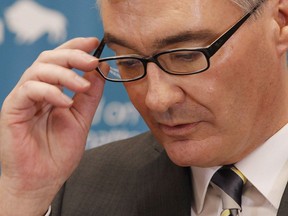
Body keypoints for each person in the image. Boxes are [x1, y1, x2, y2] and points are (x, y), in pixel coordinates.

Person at [0, 0, 288, 215]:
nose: (157, 99)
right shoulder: (78, 190)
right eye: (128, 61)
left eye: (187, 56)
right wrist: (23, 196)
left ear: (280, 21)